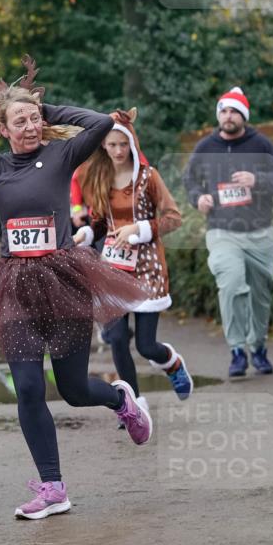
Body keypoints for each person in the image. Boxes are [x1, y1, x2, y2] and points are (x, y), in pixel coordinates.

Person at [0, 56, 150, 521]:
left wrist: (49, 108)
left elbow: (99, 123)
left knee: (75, 389)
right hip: (16, 285)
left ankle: (121, 399)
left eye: (35, 118)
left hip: (62, 279)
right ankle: (53, 487)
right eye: (20, 120)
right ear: (4, 127)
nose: (31, 126)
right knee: (28, 389)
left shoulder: (60, 154)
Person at [73, 109, 193, 411]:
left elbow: (173, 218)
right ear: (103, 145)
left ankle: (172, 363)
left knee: (145, 345)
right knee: (115, 338)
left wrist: (140, 229)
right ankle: (133, 404)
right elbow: (100, 222)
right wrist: (86, 234)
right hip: (114, 267)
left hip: (147, 268)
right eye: (111, 145)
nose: (117, 151)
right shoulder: (100, 177)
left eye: (122, 145)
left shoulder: (148, 178)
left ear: (131, 143)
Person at [183, 87, 273, 377]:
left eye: (234, 111)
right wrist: (198, 198)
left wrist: (257, 179)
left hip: (259, 233)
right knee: (230, 285)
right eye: (224, 111)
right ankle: (236, 350)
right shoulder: (205, 147)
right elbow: (190, 180)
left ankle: (257, 347)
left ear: (243, 116)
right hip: (222, 231)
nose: (228, 116)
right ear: (219, 115)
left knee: (260, 295)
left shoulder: (262, 145)